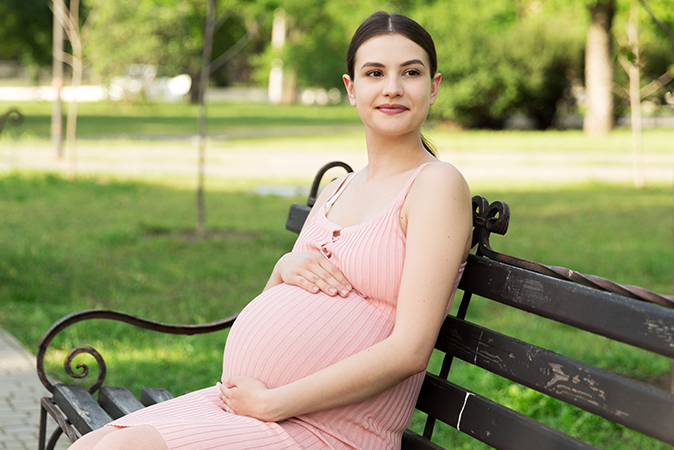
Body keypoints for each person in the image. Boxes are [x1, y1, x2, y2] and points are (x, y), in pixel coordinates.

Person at [68, 10, 472, 450]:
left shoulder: (435, 185)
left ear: (432, 87)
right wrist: (283, 267)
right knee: (86, 447)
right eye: (375, 72)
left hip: (329, 431)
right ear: (352, 90)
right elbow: (272, 305)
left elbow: (410, 350)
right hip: (251, 408)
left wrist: (274, 403)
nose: (392, 87)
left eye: (410, 72)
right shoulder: (340, 188)